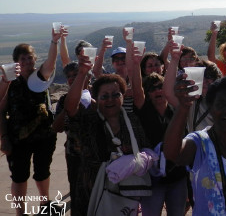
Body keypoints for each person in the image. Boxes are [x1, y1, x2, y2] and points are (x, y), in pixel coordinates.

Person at [64, 54, 150, 216]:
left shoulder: (131, 121)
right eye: (104, 96)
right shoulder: (89, 119)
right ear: (96, 98)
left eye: (116, 94)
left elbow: (144, 148)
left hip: (124, 194)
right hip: (91, 190)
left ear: (123, 96)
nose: (110, 99)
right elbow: (70, 108)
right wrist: (82, 73)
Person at [164, 71, 226, 216]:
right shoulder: (200, 142)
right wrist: (183, 107)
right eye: (221, 104)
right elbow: (172, 154)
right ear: (211, 107)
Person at [0, 30, 62, 215]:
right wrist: (3, 137)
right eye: (23, 59)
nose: (27, 62)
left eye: (30, 58)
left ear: (35, 59)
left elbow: (50, 63)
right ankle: (21, 212)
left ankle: (45, 203)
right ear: (16, 62)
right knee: (19, 177)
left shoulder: (40, 77)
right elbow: (1, 109)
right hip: (18, 138)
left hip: (44, 135)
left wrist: (54, 41)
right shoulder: (10, 82)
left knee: (43, 171)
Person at [136, 73, 188, 216]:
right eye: (152, 89)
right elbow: (136, 88)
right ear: (148, 94)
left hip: (178, 177)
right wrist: (134, 62)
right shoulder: (144, 111)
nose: (158, 91)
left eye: (161, 87)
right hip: (152, 180)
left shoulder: (177, 110)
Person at [52, 62, 94, 215]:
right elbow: (56, 127)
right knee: (77, 196)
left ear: (88, 76)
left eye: (75, 74)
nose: (71, 79)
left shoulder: (98, 95)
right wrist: (69, 106)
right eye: (69, 76)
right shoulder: (64, 100)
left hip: (97, 155)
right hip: (75, 155)